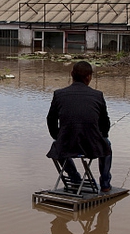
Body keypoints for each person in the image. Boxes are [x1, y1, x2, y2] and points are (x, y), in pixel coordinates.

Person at [46, 60, 112, 191]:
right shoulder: (97, 95)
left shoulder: (59, 94)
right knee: (107, 144)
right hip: (91, 146)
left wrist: (58, 136)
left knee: (56, 146)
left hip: (66, 144)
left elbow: (50, 120)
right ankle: (105, 183)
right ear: (89, 77)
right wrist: (102, 135)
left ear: (71, 74)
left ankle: (75, 178)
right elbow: (105, 123)